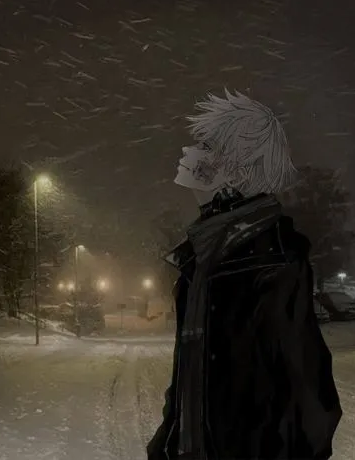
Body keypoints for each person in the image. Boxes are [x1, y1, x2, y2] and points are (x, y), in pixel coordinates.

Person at [146, 89, 342, 460]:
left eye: (205, 146)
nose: (187, 152)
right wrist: (166, 443)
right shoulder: (201, 260)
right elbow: (191, 375)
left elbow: (309, 396)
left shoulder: (273, 261)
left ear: (238, 167)